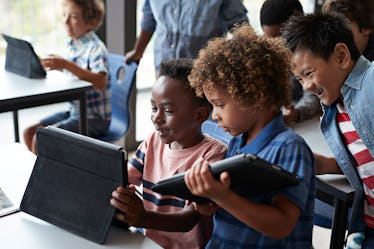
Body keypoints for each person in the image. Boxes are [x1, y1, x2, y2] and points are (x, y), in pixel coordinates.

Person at [184, 24, 315, 248]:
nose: (214, 115)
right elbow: (240, 203)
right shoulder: (238, 142)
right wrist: (212, 200)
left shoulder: (290, 147)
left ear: (257, 97)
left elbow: (282, 224)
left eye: (220, 105)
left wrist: (223, 197)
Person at [110, 58, 227, 249]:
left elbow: (188, 220)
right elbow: (122, 179)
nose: (156, 118)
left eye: (168, 110)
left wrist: (143, 218)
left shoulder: (212, 156)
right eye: (154, 108)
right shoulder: (152, 142)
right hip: (147, 243)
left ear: (199, 115)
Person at [282, 12, 374, 248]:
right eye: (299, 80)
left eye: (309, 74)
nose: (307, 86)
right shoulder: (334, 110)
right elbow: (364, 157)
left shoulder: (371, 82)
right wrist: (327, 165)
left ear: (341, 56)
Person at [23, 0, 110, 154]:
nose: (66, 21)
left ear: (91, 23)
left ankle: (47, 173)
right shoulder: (72, 44)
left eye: (74, 17)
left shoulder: (96, 49)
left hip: (95, 118)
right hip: (74, 110)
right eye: (64, 15)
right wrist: (55, 65)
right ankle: (41, 170)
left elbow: (101, 81)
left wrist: (66, 65)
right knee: (29, 132)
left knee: (42, 138)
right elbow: (75, 72)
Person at [125, 0, 248, 73]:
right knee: (165, 113)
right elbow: (149, 17)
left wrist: (252, 59)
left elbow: (238, 23)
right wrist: (138, 51)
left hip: (203, 73)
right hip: (164, 67)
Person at [260, 0, 321, 125]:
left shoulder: (312, 51)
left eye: (280, 39)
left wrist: (296, 113)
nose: (274, 46)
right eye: (269, 39)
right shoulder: (264, 51)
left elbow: (315, 94)